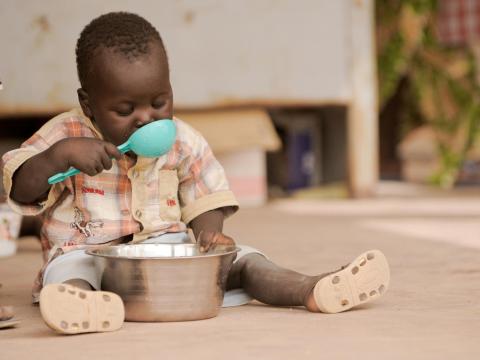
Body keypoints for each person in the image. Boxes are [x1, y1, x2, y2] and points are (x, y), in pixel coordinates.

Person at [1, 12, 390, 335]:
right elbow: (19, 185)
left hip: (168, 257)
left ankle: (313, 288)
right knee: (70, 274)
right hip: (86, 254)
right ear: (89, 104)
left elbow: (206, 194)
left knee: (245, 260)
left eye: (159, 101)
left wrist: (209, 231)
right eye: (125, 109)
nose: (147, 118)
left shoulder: (183, 140)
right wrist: (57, 158)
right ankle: (86, 309)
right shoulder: (64, 135)